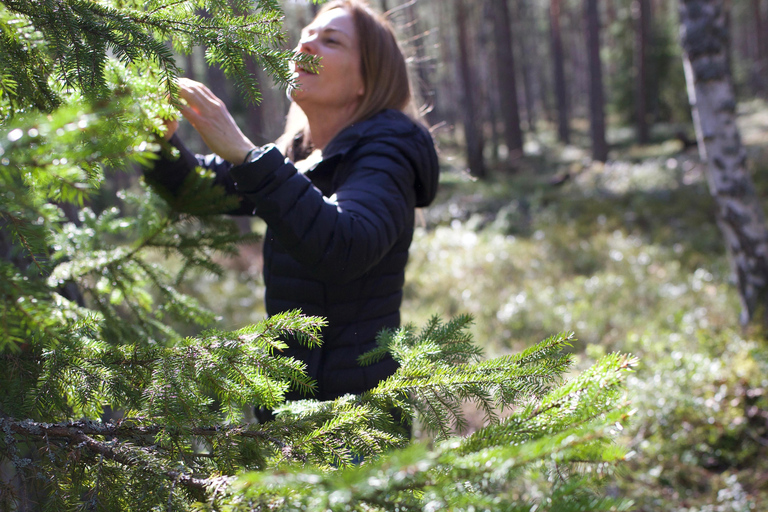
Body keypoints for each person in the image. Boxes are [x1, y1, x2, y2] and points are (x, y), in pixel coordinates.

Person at [145, 0, 439, 414]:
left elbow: (346, 246)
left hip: (360, 422)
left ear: (366, 81)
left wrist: (248, 156)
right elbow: (194, 190)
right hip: (286, 407)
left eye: (331, 40)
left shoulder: (387, 153)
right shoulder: (297, 155)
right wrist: (157, 142)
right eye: (306, 37)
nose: (307, 47)